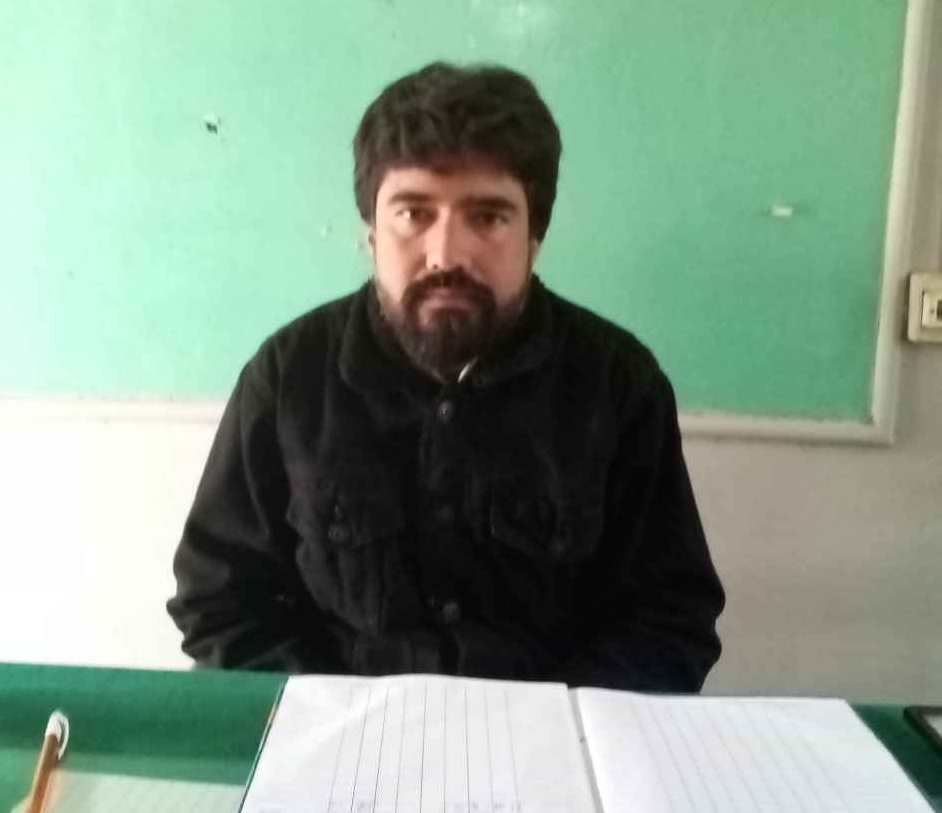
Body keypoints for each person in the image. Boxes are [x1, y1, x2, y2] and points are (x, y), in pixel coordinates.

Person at [167, 63, 724, 689]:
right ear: (371, 233)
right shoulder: (287, 376)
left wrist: (556, 722)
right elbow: (219, 600)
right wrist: (334, 718)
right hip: (341, 736)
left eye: (488, 217)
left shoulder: (619, 385)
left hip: (549, 737)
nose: (446, 255)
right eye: (413, 213)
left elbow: (668, 618)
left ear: (535, 236)